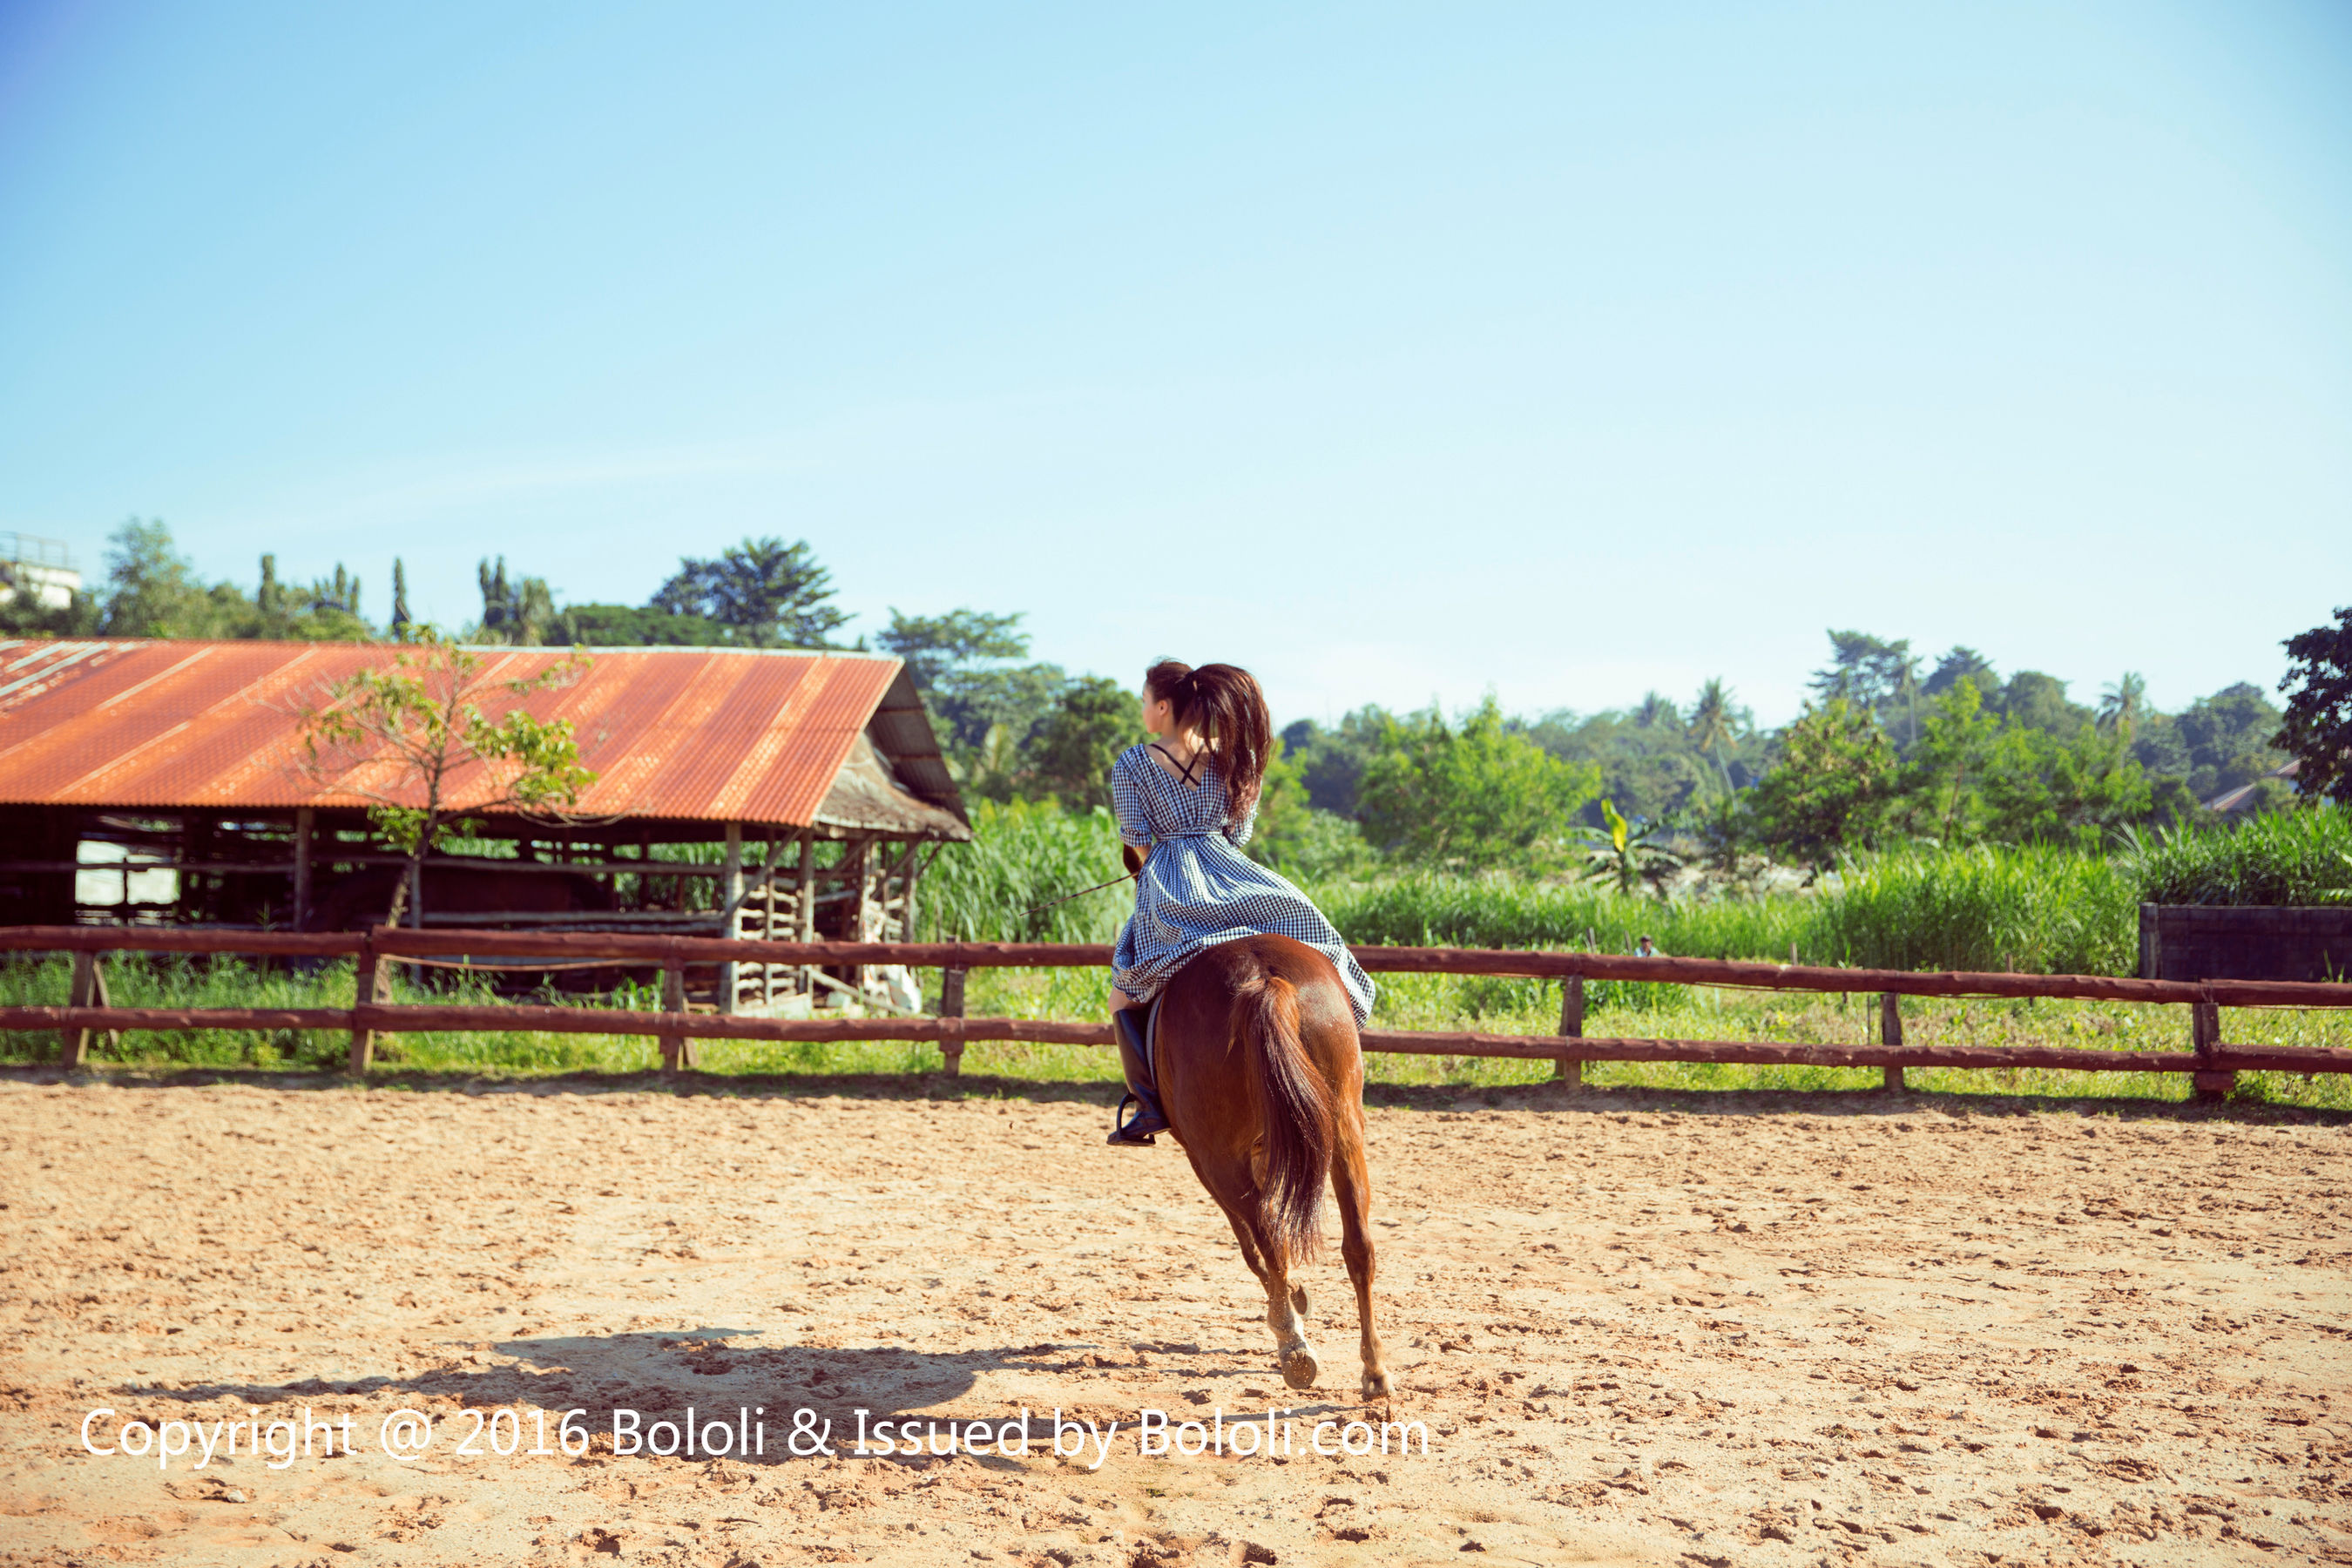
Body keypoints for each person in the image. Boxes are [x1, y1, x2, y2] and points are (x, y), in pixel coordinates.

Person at [1103, 659, 1377, 1146]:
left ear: (1163, 707)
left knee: (1124, 988)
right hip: (1234, 873)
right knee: (1314, 937)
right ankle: (1344, 1038)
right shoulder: (1235, 757)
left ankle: (1146, 1108)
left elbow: (1139, 842)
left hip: (1169, 880)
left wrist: (1162, 865)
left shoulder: (1132, 764)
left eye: (1145, 701)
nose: (1143, 710)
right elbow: (1240, 834)